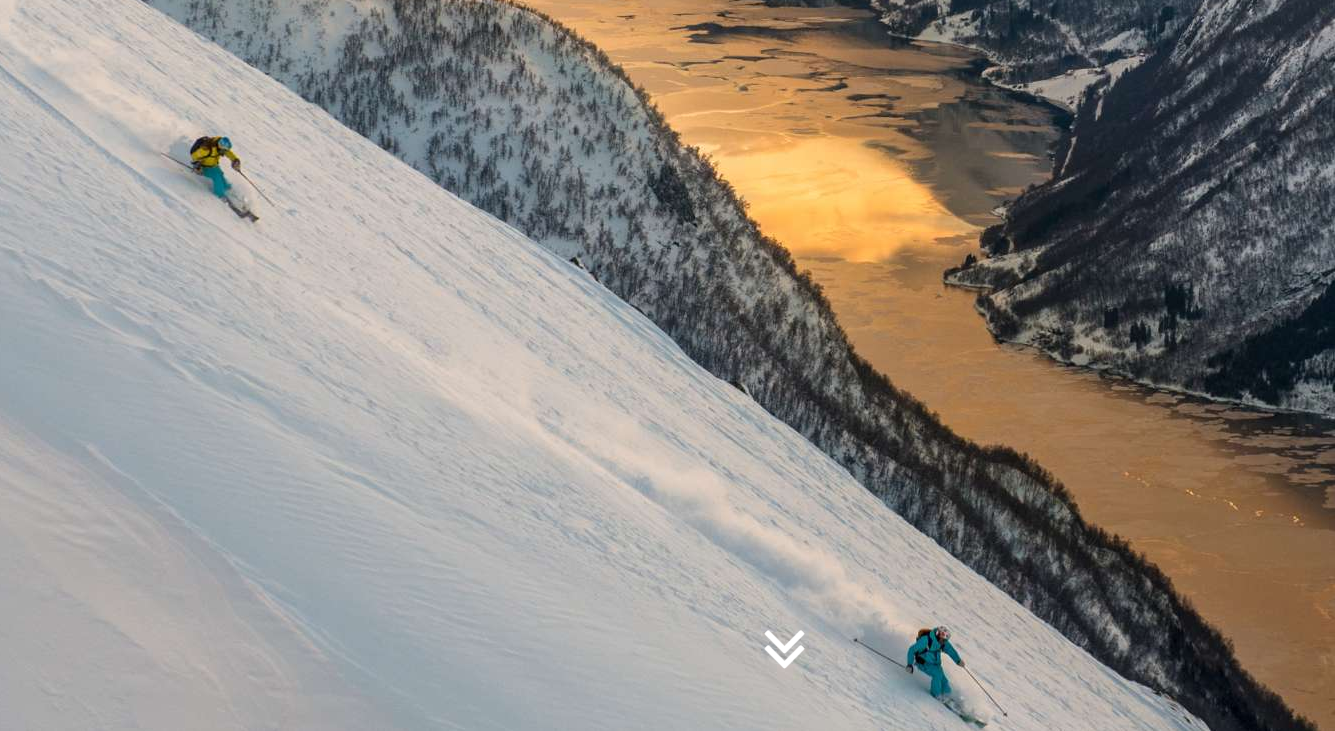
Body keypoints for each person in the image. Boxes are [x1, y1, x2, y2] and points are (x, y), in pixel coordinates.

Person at [906, 626, 965, 698]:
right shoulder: (926, 640)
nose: (944, 642)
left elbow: (950, 650)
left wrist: (958, 660)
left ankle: (948, 695)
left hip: (936, 665)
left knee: (944, 681)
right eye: (943, 640)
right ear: (938, 635)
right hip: (923, 663)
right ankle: (936, 694)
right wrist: (909, 664)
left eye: (945, 640)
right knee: (937, 675)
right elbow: (912, 650)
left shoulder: (943, 642)